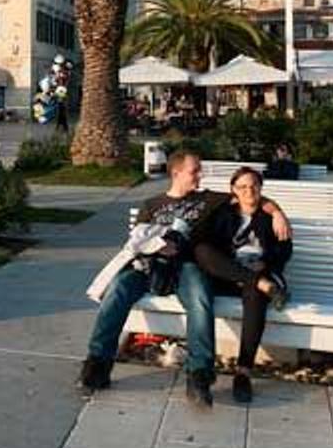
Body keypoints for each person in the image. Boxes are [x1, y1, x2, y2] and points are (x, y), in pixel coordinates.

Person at [79, 151, 292, 407]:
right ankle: (97, 364)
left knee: (200, 299)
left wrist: (277, 212)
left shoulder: (206, 199)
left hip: (186, 267)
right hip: (148, 266)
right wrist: (157, 246)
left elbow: (250, 196)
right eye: (195, 171)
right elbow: (135, 242)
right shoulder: (151, 204)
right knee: (117, 291)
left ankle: (199, 375)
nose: (200, 175)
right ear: (176, 173)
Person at [193, 167, 292, 404]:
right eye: (242, 187)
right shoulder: (223, 214)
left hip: (258, 275)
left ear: (261, 189)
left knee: (255, 295)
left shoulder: (271, 217)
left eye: (254, 186)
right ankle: (261, 284)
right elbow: (204, 245)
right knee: (202, 251)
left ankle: (243, 373)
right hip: (227, 277)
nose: (249, 191)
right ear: (233, 191)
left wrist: (265, 264)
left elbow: (284, 250)